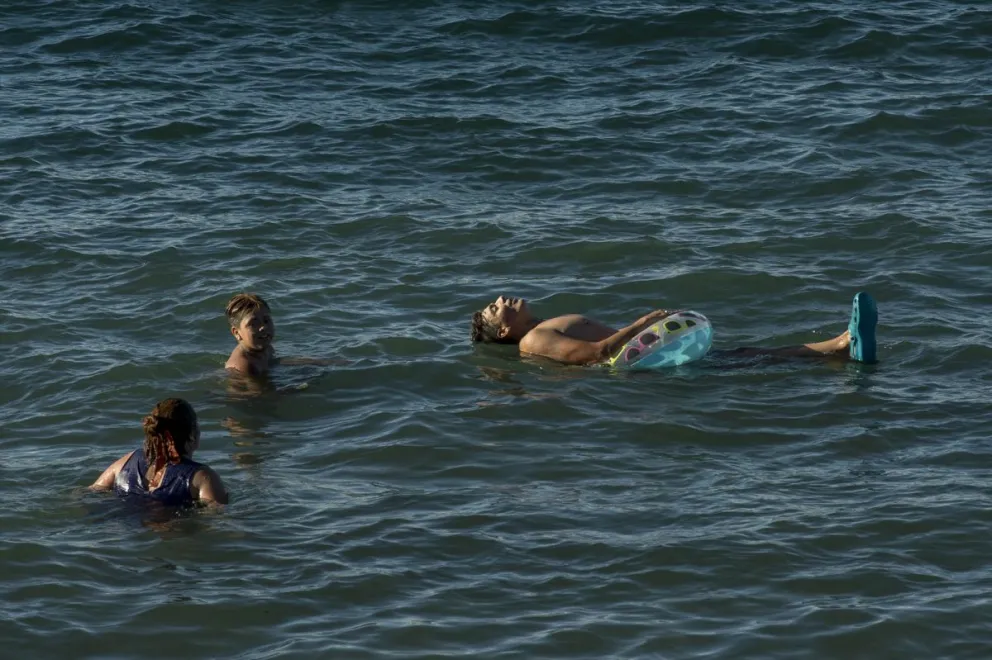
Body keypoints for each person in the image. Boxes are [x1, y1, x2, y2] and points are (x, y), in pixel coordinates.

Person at [470, 292, 878, 366]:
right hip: (645, 367)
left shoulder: (538, 329)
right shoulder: (534, 339)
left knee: (743, 357)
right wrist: (642, 323)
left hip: (652, 356)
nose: (502, 299)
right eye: (494, 308)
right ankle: (840, 347)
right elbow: (594, 357)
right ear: (503, 333)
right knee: (744, 361)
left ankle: (838, 348)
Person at [91, 398, 229, 506]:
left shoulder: (127, 461)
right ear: (192, 435)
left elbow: (91, 492)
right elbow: (217, 521)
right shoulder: (202, 477)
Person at [225, 292, 276, 376]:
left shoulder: (264, 346)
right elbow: (260, 389)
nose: (263, 327)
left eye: (266, 320)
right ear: (236, 333)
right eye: (253, 324)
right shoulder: (244, 366)